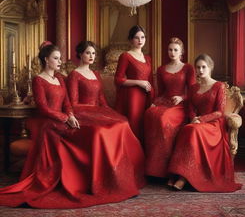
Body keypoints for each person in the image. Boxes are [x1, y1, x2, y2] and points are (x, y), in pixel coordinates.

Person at [0, 41, 144, 209]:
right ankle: (83, 180)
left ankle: (110, 179)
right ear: (46, 59)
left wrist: (69, 115)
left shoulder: (60, 78)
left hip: (66, 118)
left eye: (60, 58)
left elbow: (68, 102)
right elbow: (43, 108)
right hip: (50, 124)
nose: (60, 61)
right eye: (56, 58)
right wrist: (64, 118)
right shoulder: (38, 80)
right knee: (91, 134)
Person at [66, 41, 145, 195]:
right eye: (88, 53)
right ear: (80, 54)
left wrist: (109, 112)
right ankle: (108, 176)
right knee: (103, 130)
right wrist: (95, 113)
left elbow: (101, 99)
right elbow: (74, 103)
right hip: (83, 113)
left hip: (98, 110)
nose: (91, 56)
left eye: (93, 53)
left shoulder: (96, 74)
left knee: (122, 122)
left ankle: (124, 174)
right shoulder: (74, 75)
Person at [167, 54, 241, 192]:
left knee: (193, 130)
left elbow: (219, 112)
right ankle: (180, 173)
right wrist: (194, 118)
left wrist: (201, 120)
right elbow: (190, 107)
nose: (200, 70)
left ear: (210, 68)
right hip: (197, 123)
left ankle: (183, 179)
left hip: (214, 125)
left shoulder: (219, 86)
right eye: (198, 67)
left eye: (203, 67)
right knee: (187, 129)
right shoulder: (194, 88)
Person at [144, 37, 195, 178]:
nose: (172, 52)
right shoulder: (161, 69)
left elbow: (192, 91)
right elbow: (161, 92)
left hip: (180, 105)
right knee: (150, 113)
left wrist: (181, 97)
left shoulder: (188, 68)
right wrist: (155, 102)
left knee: (163, 118)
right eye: (170, 50)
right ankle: (153, 168)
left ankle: (166, 168)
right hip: (164, 102)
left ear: (181, 52)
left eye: (175, 50)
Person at [114, 25, 154, 142]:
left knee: (145, 125)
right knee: (134, 124)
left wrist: (152, 99)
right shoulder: (126, 56)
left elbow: (150, 80)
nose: (140, 40)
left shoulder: (147, 58)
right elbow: (118, 79)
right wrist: (138, 82)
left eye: (142, 37)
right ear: (131, 39)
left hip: (146, 95)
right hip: (132, 96)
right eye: (137, 38)